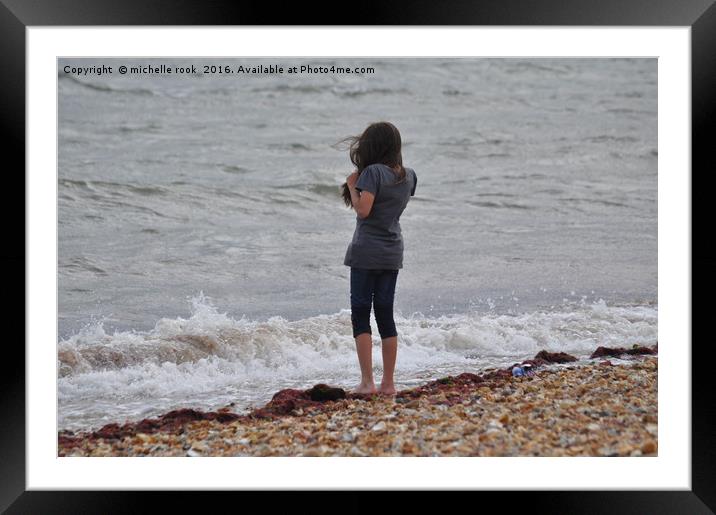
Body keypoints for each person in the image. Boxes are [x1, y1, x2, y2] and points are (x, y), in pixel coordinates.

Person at [340, 121, 417, 395]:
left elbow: (364, 210)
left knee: (361, 313)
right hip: (392, 250)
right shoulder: (409, 176)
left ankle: (367, 382)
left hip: (366, 252)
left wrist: (352, 186)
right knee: (385, 314)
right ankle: (389, 383)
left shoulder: (372, 173)